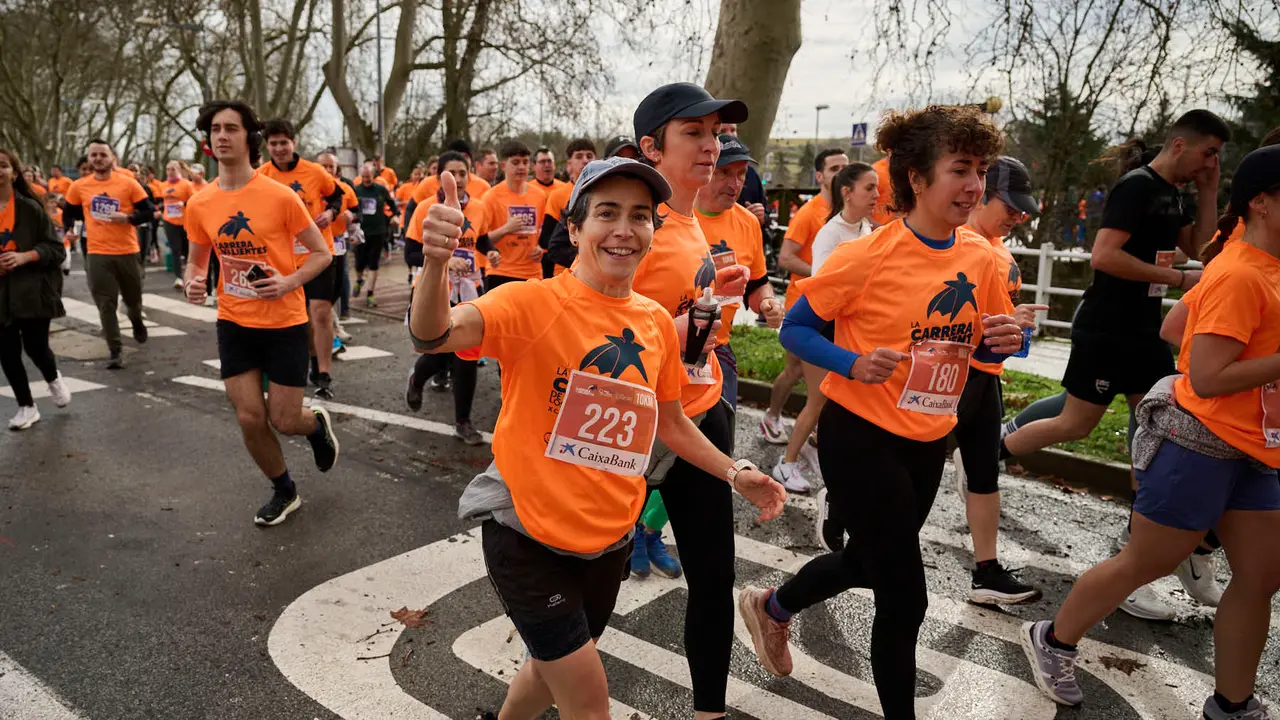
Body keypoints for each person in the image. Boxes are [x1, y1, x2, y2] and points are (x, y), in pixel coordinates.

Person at [413, 158, 784, 720]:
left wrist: (736, 473)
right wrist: (435, 264)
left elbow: (670, 420)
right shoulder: (529, 303)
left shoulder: (656, 322)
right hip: (526, 535)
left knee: (547, 665)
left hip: (608, 540)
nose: (624, 229)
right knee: (588, 701)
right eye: (606, 213)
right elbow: (434, 332)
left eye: (640, 216)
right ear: (575, 228)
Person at [737, 104, 1023, 720]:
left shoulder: (980, 256)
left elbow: (994, 337)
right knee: (905, 595)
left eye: (981, 170)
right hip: (860, 435)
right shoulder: (866, 257)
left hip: (927, 439)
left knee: (867, 562)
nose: (975, 185)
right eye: (960, 170)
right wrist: (849, 362)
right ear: (917, 179)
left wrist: (1005, 340)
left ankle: (772, 607)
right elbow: (796, 329)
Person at [1021, 144, 1280, 720]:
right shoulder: (1239, 273)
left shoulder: (1250, 264)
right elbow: (1209, 377)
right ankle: (1052, 639)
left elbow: (1175, 321)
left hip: (1257, 449)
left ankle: (1232, 704)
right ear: (1262, 203)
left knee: (1261, 576)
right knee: (1146, 562)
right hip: (1201, 443)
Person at [999, 109, 1231, 619]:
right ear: (1179, 143)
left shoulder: (1178, 192)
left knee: (1153, 435)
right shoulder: (1136, 186)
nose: (1211, 161)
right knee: (1076, 424)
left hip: (1145, 333)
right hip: (1106, 327)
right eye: (1208, 152)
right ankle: (985, 454)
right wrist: (1176, 283)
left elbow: (1204, 249)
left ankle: (1135, 565)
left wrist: (1210, 190)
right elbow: (1103, 256)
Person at [628, 82, 763, 720]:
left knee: (714, 579)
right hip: (640, 429)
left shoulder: (690, 224)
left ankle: (710, 711)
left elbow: (684, 322)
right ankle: (530, 697)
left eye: (716, 134)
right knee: (586, 590)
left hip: (703, 414)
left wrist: (714, 293)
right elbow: (600, 333)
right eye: (695, 134)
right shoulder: (636, 229)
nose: (713, 147)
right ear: (652, 147)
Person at [629, 131, 784, 583]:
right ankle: (626, 528)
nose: (734, 183)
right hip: (646, 366)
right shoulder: (663, 214)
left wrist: (764, 302)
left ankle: (649, 529)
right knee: (647, 464)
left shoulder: (746, 224)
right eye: (725, 172)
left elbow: (756, 283)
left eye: (742, 174)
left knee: (708, 456)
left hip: (714, 355)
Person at [182, 99, 340, 527]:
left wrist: (288, 282)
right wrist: (194, 282)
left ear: (248, 139)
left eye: (231, 128)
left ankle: (315, 425)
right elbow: (197, 262)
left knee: (284, 419)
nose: (222, 136)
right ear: (208, 141)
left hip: (285, 322)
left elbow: (322, 254)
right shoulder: (200, 204)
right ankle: (284, 490)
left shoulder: (280, 197)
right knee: (250, 416)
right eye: (215, 129)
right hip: (234, 321)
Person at [951, 156, 1048, 604]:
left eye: (1022, 209)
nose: (1017, 216)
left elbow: (994, 321)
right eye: (1010, 206)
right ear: (982, 194)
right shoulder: (961, 244)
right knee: (910, 469)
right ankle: (842, 509)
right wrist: (1007, 320)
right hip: (951, 376)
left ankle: (986, 572)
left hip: (986, 377)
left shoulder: (999, 249)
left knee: (985, 472)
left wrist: (1013, 324)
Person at [797, 161, 880, 551]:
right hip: (827, 336)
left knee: (848, 416)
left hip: (859, 338)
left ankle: (840, 490)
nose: (877, 196)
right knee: (822, 405)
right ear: (847, 193)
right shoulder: (830, 235)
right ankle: (796, 464)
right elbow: (825, 292)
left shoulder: (870, 231)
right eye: (869, 189)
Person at [761, 148, 849, 445]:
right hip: (803, 305)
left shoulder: (850, 213)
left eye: (845, 167)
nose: (840, 173)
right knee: (795, 369)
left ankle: (814, 426)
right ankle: (772, 416)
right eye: (834, 168)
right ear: (820, 176)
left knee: (824, 371)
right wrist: (824, 273)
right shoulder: (810, 213)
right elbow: (785, 258)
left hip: (834, 307)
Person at [257, 118, 346, 400]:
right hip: (283, 258)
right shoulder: (262, 175)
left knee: (320, 312)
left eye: (284, 142)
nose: (280, 148)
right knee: (301, 319)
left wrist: (331, 213)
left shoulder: (315, 172)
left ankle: (324, 374)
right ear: (267, 146)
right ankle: (310, 360)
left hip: (318, 254)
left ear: (293, 143)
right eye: (274, 144)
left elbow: (338, 196)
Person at [403, 151, 487, 445]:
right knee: (440, 350)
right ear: (440, 176)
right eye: (453, 173)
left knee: (467, 352)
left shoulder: (478, 207)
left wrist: (492, 253)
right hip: (434, 289)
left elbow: (482, 240)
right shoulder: (426, 208)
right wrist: (444, 261)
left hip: (470, 289)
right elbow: (409, 253)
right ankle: (418, 377)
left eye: (464, 173)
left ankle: (463, 421)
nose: (460, 179)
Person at [62, 138, 154, 369]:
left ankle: (136, 321)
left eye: (103, 154)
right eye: (93, 155)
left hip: (127, 251)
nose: (98, 159)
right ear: (89, 158)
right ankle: (115, 350)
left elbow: (149, 212)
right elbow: (69, 213)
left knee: (133, 301)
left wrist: (128, 218)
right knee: (105, 303)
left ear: (112, 158)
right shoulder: (79, 186)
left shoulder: (128, 183)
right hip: (97, 252)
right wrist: (69, 229)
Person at [0, 148, 70, 430]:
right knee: (6, 351)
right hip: (1, 293)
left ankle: (52, 377)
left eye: (2, 166)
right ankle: (26, 407)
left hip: (31, 290)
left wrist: (24, 257)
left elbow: (55, 250)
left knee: (36, 347)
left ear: (13, 173)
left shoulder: (30, 207)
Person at [545, 138, 636, 275]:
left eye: (633, 158)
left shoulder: (654, 196)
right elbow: (553, 246)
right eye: (606, 214)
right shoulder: (573, 197)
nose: (626, 162)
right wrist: (595, 258)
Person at [479, 141, 547, 291]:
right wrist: (506, 229)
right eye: (515, 163)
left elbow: (543, 234)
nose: (521, 167)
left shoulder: (539, 196)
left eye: (525, 162)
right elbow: (480, 240)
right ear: (503, 166)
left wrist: (540, 248)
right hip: (500, 271)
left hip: (532, 273)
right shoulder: (491, 197)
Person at [537, 138, 596, 277]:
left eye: (589, 156)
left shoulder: (604, 192)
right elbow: (548, 240)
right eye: (579, 156)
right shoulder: (558, 195)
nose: (585, 160)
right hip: (564, 271)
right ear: (569, 164)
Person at [316, 152, 359, 339]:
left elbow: (358, 211)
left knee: (337, 285)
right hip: (315, 246)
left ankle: (332, 326)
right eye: (323, 166)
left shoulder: (345, 188)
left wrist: (353, 216)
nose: (327, 170)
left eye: (330, 167)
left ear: (336, 169)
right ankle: (332, 330)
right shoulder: (308, 189)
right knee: (320, 290)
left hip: (338, 243)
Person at [352, 160, 399, 307]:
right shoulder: (356, 190)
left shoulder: (380, 189)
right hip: (361, 231)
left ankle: (370, 294)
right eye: (364, 177)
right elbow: (350, 207)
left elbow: (392, 205)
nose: (366, 180)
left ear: (373, 175)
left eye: (368, 177)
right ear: (361, 176)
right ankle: (359, 280)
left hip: (378, 231)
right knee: (359, 263)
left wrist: (394, 216)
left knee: (374, 263)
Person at [715, 123, 768, 227]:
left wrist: (761, 217)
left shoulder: (751, 174)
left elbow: (765, 214)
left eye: (733, 130)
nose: (730, 135)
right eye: (722, 131)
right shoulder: (701, 171)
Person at [158, 160, 196, 289]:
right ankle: (178, 278)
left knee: (186, 250)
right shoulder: (163, 185)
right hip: (169, 221)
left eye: (173, 169)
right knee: (175, 250)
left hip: (185, 222)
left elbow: (195, 201)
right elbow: (161, 201)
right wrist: (159, 208)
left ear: (179, 170)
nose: (170, 171)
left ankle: (189, 275)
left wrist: (183, 204)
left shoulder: (186, 184)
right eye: (168, 169)